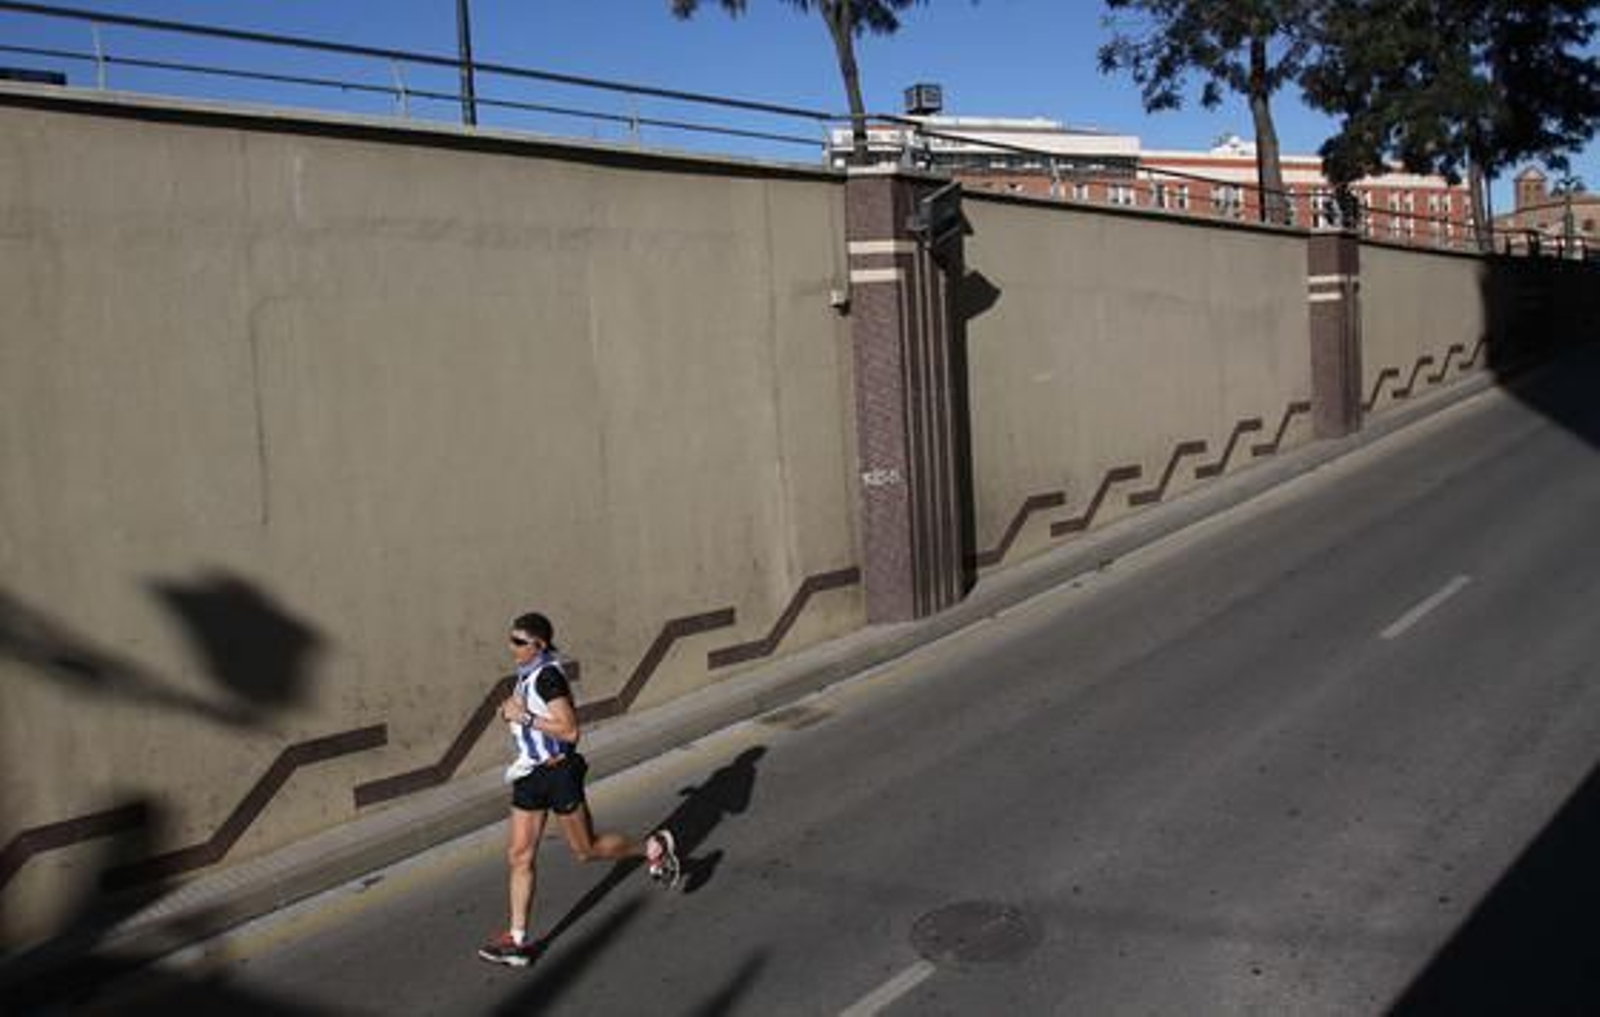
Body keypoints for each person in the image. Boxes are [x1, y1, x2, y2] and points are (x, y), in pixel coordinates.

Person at [478, 611, 679, 968]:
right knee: (519, 855)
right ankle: (517, 940)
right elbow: (530, 718)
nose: (512, 647)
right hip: (529, 775)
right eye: (511, 639)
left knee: (586, 851)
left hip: (559, 775)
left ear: (539, 645)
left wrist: (523, 717)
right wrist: (511, 714)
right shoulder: (527, 675)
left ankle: (652, 847)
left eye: (519, 642)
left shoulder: (548, 678)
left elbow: (570, 731)